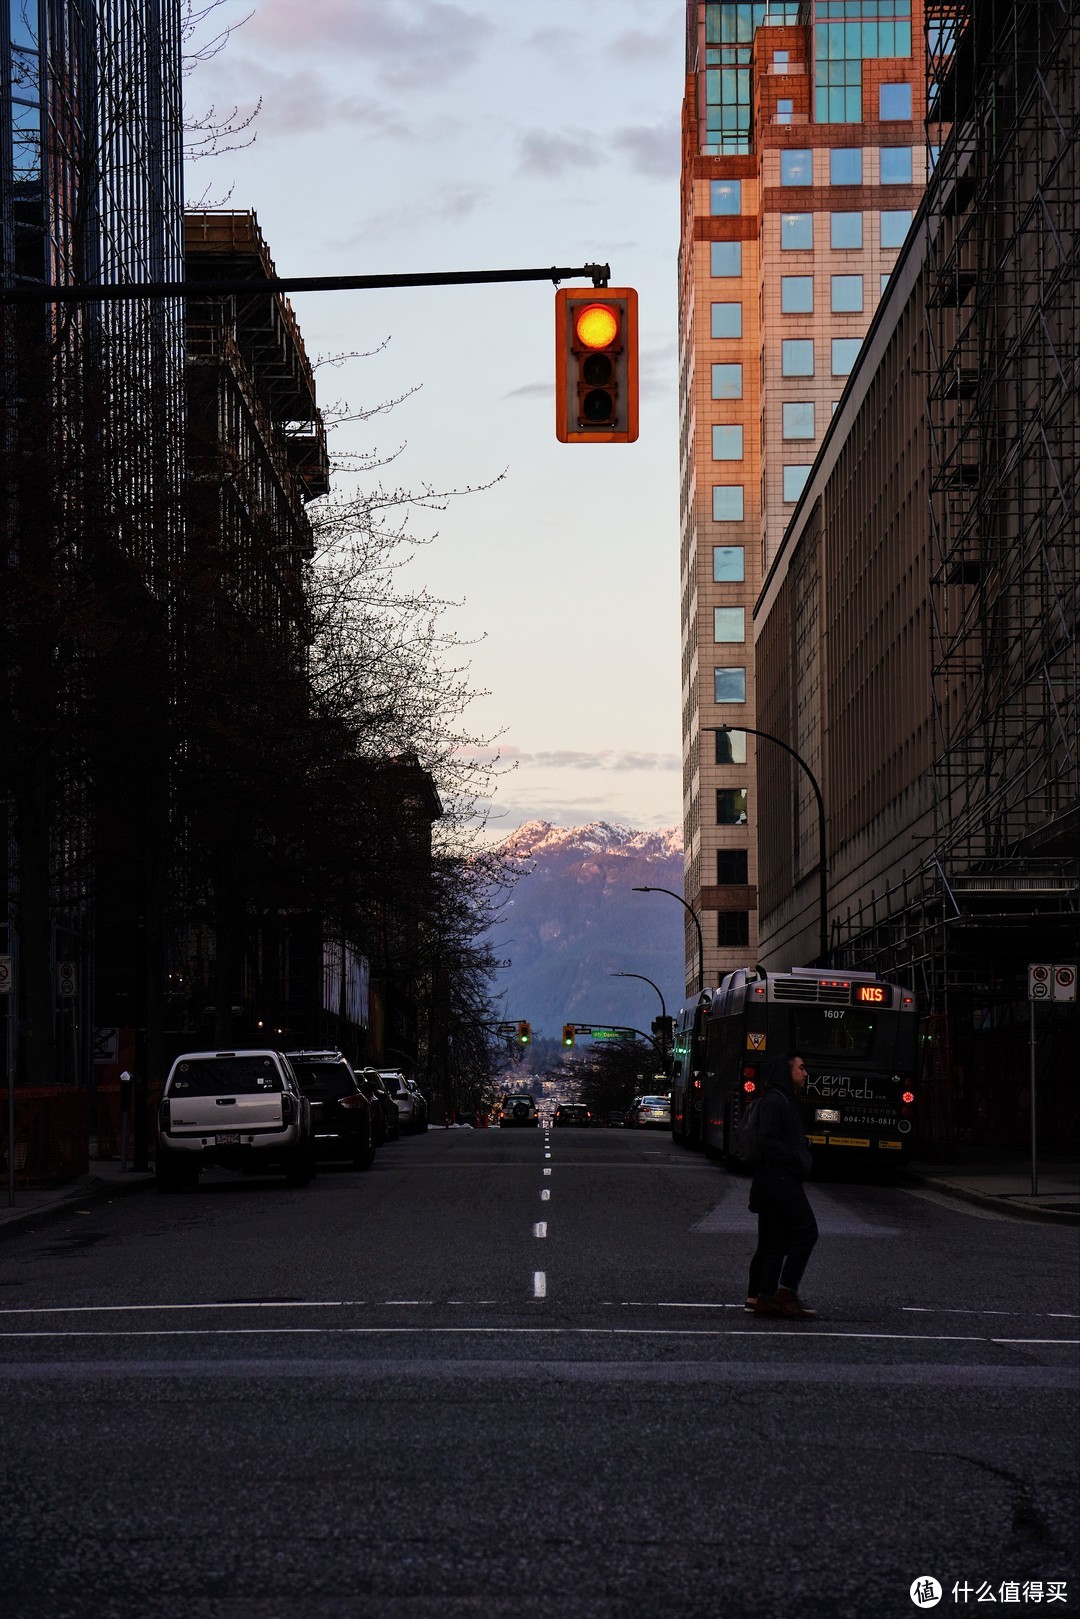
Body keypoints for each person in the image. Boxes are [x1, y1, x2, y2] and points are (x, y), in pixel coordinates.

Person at [747, 1050, 819, 1319]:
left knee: (777, 1239)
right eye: (801, 1067)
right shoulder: (776, 1102)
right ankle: (786, 1292)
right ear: (786, 1072)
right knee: (807, 1230)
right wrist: (796, 1156)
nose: (805, 1072)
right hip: (780, 1178)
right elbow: (768, 1140)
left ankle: (765, 1297)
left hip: (774, 1178)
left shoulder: (781, 1100)